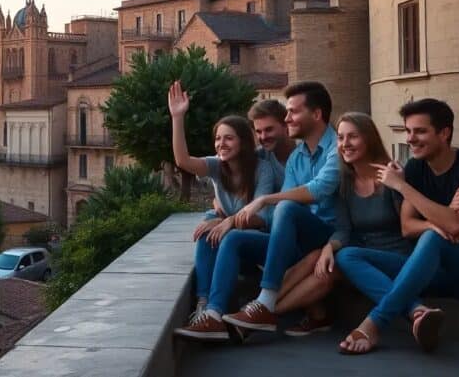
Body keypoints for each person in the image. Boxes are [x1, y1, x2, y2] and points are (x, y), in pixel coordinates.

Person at [335, 99, 459, 354]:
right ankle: (418, 313)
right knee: (347, 255)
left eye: (420, 131)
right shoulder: (416, 168)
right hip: (441, 272)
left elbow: (455, 224)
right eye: (408, 131)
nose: (411, 139)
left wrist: (401, 187)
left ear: (444, 133)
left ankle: (373, 324)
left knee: (434, 238)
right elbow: (407, 227)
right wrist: (438, 221)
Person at [269, 112, 414, 338]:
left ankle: (269, 312)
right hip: (361, 255)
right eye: (340, 138)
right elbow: (344, 229)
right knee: (318, 258)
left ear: (369, 139)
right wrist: (329, 247)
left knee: (336, 264)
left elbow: (409, 226)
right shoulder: (344, 183)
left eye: (353, 137)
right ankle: (264, 309)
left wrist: (401, 185)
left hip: (395, 258)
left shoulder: (392, 176)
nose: (345, 144)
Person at [225, 81, 340, 333]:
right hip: (304, 241)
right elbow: (284, 205)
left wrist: (265, 199)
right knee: (235, 239)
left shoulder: (338, 147)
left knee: (285, 208)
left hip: (333, 235)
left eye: (293, 112)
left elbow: (319, 190)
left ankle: (263, 304)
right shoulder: (297, 158)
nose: (287, 118)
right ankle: (214, 312)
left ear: (317, 114)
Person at [167, 81, 278, 341]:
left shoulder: (262, 170)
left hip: (262, 243)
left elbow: (261, 219)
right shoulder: (218, 166)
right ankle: (205, 306)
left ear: (243, 141)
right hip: (233, 241)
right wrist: (177, 117)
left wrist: (227, 221)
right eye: (218, 138)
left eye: (228, 138)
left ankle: (215, 313)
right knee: (208, 228)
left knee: (225, 231)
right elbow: (183, 161)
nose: (221, 144)